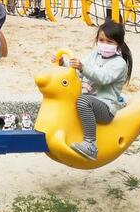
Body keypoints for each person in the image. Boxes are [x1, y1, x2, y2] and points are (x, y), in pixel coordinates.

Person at [57, 20, 133, 161]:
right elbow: (79, 72)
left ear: (118, 44)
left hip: (105, 108)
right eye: (101, 40)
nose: (104, 44)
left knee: (83, 101)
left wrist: (82, 67)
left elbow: (103, 78)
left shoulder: (119, 64)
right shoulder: (94, 55)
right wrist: (64, 64)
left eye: (109, 42)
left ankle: (91, 144)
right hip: (90, 102)